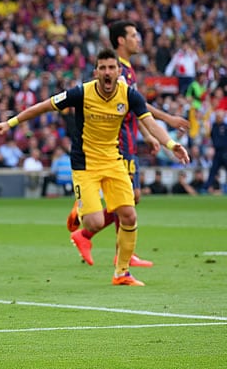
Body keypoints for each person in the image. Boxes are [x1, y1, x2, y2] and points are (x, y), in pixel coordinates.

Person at [0, 48, 189, 286]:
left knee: (129, 215)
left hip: (113, 161)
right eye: (103, 68)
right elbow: (43, 106)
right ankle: (80, 208)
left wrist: (171, 144)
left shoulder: (129, 95)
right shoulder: (81, 93)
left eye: (112, 68)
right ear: (96, 71)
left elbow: (149, 123)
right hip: (85, 164)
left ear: (119, 71)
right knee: (95, 223)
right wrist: (11, 122)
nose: (108, 72)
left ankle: (121, 273)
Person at [66, 20, 189, 267]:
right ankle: (92, 231)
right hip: (118, 141)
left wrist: (148, 135)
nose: (139, 39)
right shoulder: (115, 69)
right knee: (129, 198)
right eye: (134, 35)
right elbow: (136, 104)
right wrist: (167, 119)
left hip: (130, 137)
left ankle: (116, 247)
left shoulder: (128, 69)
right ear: (121, 40)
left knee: (132, 198)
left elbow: (135, 106)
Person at [204, 109, 227, 193]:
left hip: (225, 152)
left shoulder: (225, 126)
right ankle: (206, 188)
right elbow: (211, 137)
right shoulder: (214, 126)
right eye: (217, 116)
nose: (218, 118)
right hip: (217, 152)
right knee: (213, 171)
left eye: (219, 116)